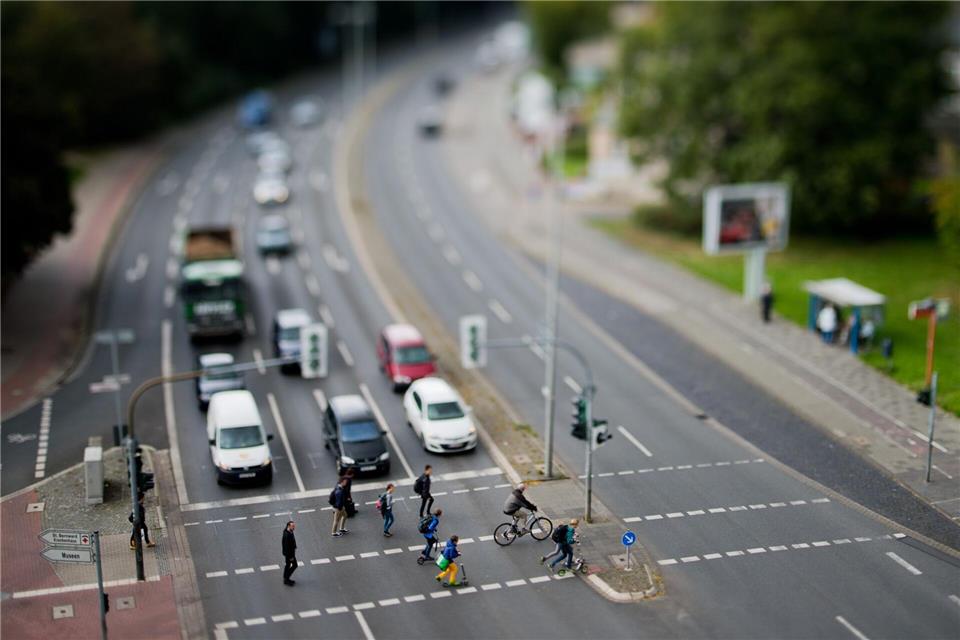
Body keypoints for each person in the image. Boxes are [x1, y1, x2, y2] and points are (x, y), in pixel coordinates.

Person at [282, 521, 297, 586]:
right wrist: (291, 557)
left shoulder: (289, 531)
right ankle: (286, 578)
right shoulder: (287, 535)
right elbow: (287, 547)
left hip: (290, 553)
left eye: (294, 526)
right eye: (292, 526)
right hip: (289, 554)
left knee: (288, 565)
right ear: (288, 526)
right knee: (294, 565)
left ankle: (286, 577)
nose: (294, 527)